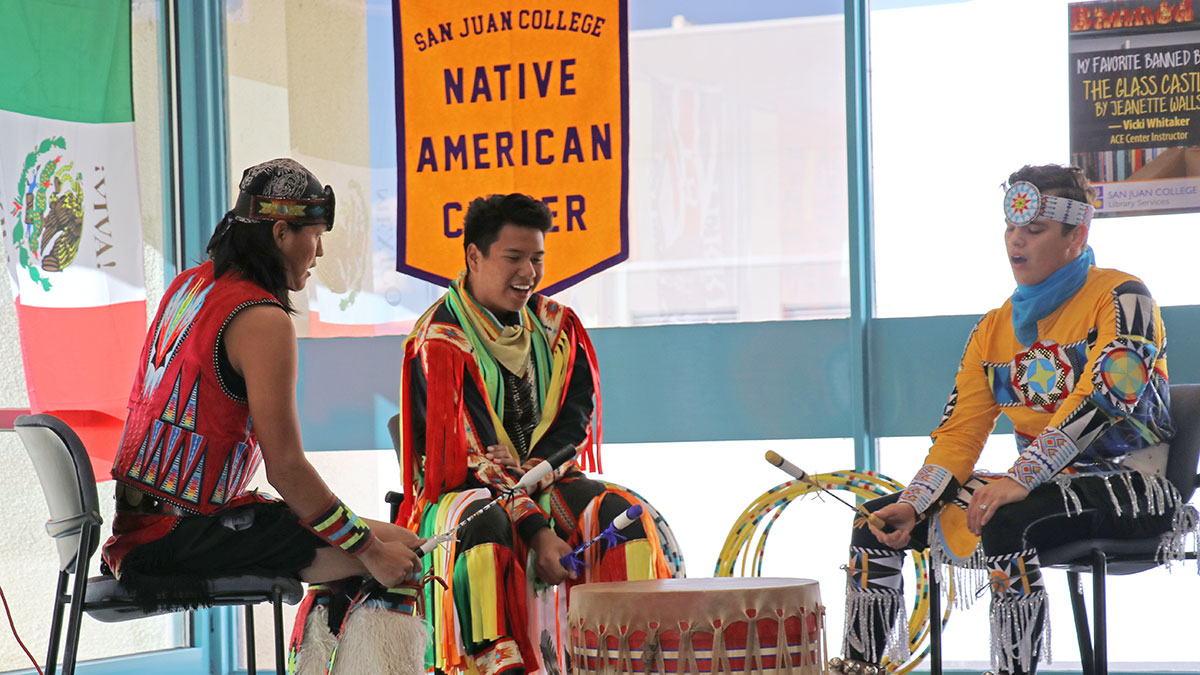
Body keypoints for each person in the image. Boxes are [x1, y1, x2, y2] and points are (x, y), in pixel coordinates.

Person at [829, 164, 1195, 675]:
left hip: (1136, 484)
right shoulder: (993, 328)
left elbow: (1112, 396)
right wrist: (915, 503)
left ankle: (1012, 670)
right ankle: (860, 667)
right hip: (1043, 485)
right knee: (876, 521)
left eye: (1035, 230)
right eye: (1011, 229)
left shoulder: (1125, 296)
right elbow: (959, 435)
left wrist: (1020, 476)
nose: (1016, 243)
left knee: (1003, 515)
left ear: (1077, 235)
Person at [101, 158, 424, 672]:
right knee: (401, 562)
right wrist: (369, 552)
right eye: (314, 236)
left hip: (146, 529)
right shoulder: (262, 319)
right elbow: (287, 469)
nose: (319, 252)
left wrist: (367, 547)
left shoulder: (190, 284)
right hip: (182, 537)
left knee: (398, 545)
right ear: (280, 232)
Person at [396, 193, 672, 675]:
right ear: (474, 256)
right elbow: (474, 456)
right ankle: (493, 663)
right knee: (485, 525)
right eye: (514, 258)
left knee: (620, 514)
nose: (528, 272)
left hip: (541, 478)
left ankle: (627, 656)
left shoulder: (557, 327)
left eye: (537, 258)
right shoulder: (439, 340)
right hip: (462, 490)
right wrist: (538, 530)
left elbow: (574, 423)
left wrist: (536, 468)